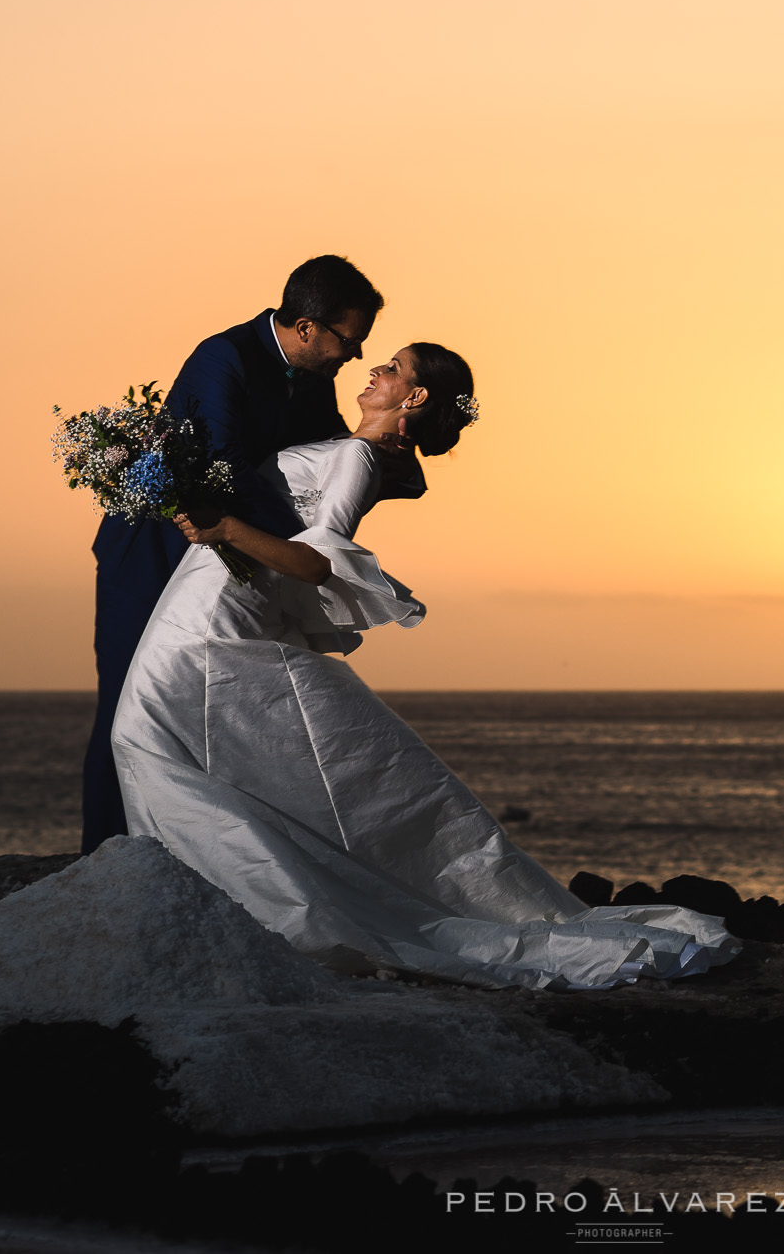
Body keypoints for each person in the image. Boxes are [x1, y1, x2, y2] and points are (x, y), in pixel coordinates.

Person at [109, 344, 739, 990]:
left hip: (216, 609)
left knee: (142, 737)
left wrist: (224, 528)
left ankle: (237, 907)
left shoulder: (357, 457)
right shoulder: (347, 446)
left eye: (393, 368)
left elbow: (315, 563)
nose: (375, 370)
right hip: (211, 594)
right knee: (167, 746)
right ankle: (225, 898)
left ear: (412, 398)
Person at [81, 255, 388, 854]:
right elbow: (228, 467)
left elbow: (324, 459)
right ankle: (105, 854)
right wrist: (298, 549)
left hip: (227, 557)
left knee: (211, 708)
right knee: (128, 704)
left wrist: (391, 443)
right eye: (350, 342)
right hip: (152, 550)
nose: (353, 358)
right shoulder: (222, 359)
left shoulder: (314, 373)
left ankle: (191, 846)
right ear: (307, 328)